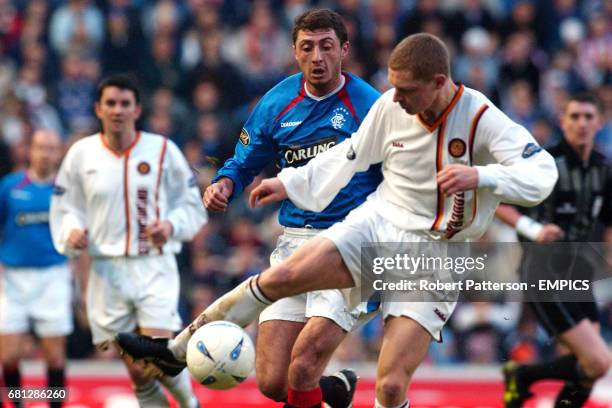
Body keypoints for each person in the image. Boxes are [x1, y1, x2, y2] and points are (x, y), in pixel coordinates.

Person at [117, 33, 558, 408]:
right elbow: (348, 156)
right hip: (377, 223)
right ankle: (176, 350)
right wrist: (288, 183)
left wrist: (481, 174)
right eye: (394, 88)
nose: (396, 99)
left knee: (389, 386)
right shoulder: (389, 106)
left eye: (406, 90)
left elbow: (542, 174)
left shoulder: (481, 118)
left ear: (439, 83)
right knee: (283, 279)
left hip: (435, 256)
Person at [199, 9, 381, 407]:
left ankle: (322, 386)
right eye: (307, 47)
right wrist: (224, 183)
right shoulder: (277, 102)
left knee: (303, 366)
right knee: (274, 381)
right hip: (295, 244)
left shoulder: (371, 107)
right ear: (294, 52)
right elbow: (243, 160)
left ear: (344, 50)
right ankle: (336, 391)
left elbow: (396, 180)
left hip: (351, 245)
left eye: (327, 46)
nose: (317, 57)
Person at [50, 74, 207, 408]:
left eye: (125, 104)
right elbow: (65, 208)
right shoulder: (81, 154)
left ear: (137, 110)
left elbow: (192, 205)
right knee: (138, 372)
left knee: (157, 355)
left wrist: (171, 224)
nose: (117, 110)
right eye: (110, 103)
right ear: (98, 109)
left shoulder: (163, 151)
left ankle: (190, 403)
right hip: (105, 272)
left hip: (153, 264)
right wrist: (70, 232)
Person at [497, 93, 611, 408]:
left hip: (581, 275)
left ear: (600, 121)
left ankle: (522, 376)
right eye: (575, 116)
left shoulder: (604, 168)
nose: (582, 123)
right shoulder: (544, 164)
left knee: (588, 369)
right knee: (598, 361)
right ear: (563, 121)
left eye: (589, 117)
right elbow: (500, 205)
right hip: (543, 271)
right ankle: (524, 375)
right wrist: (534, 230)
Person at [0, 129, 70, 408]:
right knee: (8, 356)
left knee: (54, 357)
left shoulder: (65, 192)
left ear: (59, 153)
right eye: (41, 147)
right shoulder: (10, 187)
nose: (45, 153)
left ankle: (55, 405)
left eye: (52, 148)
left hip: (52, 277)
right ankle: (17, 403)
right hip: (13, 279)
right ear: (30, 150)